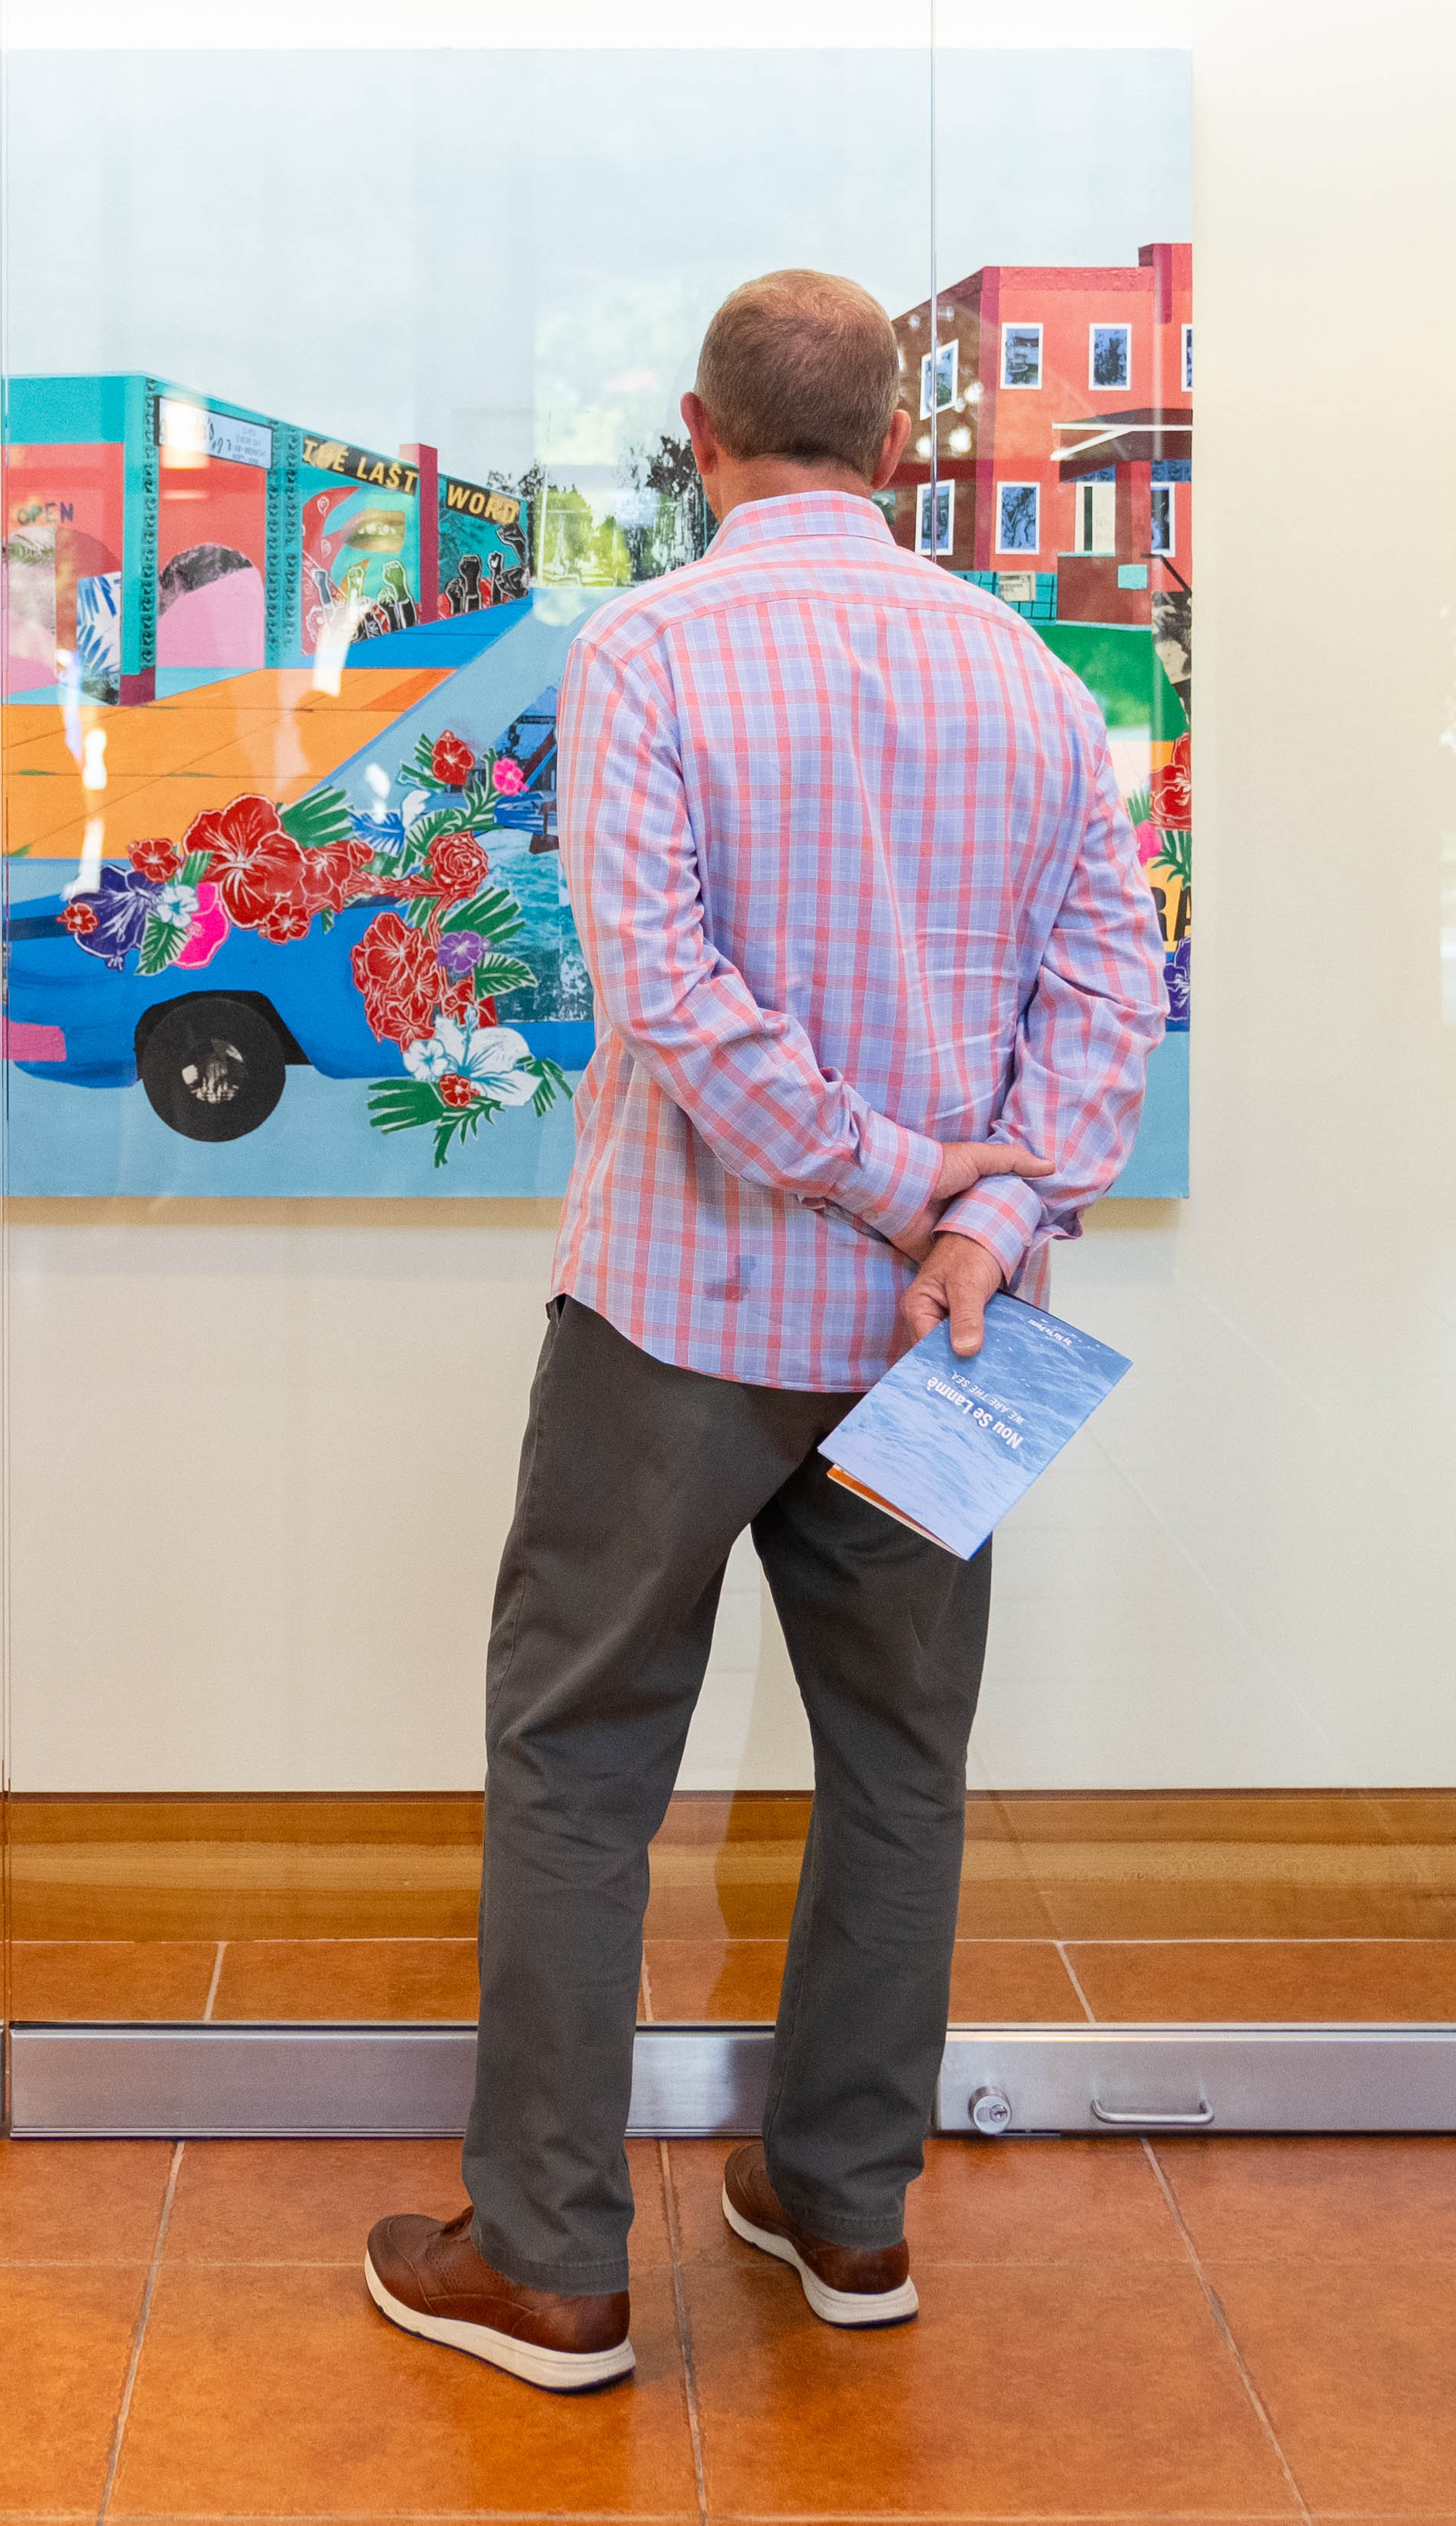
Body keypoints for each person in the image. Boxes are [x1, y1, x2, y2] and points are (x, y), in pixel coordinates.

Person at [364, 269, 1167, 2391]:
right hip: (950, 1336)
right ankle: (845, 2207)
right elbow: (1112, 996)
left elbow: (668, 999)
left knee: (577, 1761)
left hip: (679, 1312)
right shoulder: (1027, 673)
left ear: (698, 437)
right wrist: (981, 1213)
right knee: (900, 1769)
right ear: (894, 449)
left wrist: (897, 1180)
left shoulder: (647, 650)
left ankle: (549, 2261)